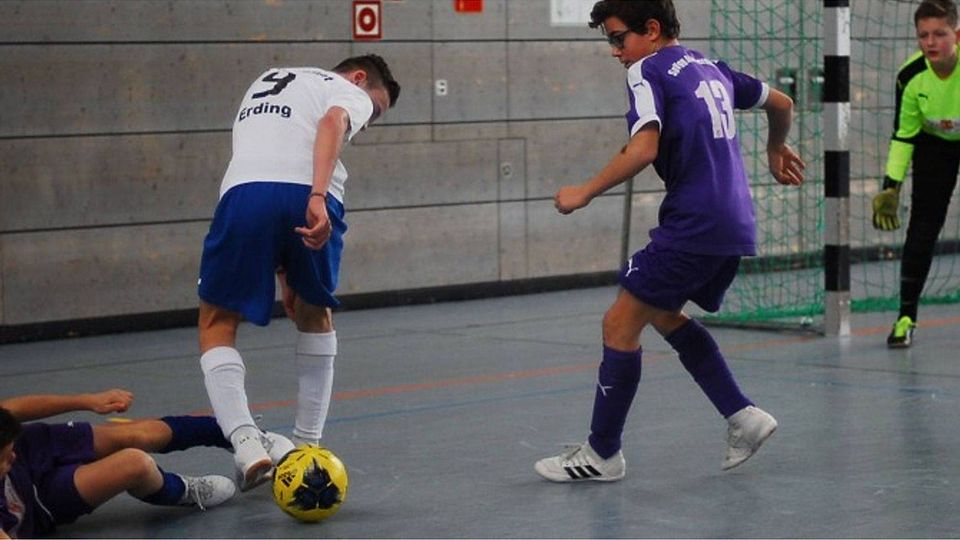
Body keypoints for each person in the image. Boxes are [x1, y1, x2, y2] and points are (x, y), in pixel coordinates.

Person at [534, 0, 805, 482]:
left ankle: (601, 454)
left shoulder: (647, 71)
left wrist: (585, 192)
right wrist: (775, 145)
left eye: (619, 39)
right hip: (735, 223)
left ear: (652, 30)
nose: (616, 52)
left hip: (694, 222)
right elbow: (781, 103)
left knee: (618, 324)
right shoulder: (711, 68)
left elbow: (644, 147)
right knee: (660, 312)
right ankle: (743, 415)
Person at [197, 55, 401, 491]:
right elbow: (331, 123)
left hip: (245, 192)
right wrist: (317, 194)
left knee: (217, 322)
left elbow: (271, 158)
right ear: (360, 78)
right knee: (316, 315)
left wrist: (284, 271)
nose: (368, 124)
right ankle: (307, 448)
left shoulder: (268, 78)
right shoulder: (345, 90)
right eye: (376, 111)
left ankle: (246, 440)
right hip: (309, 193)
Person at [0, 389, 237, 539]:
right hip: (41, 500)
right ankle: (182, 490)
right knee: (136, 464)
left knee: (139, 435)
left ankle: (241, 435)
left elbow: (10, 409)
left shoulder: (16, 452)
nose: (13, 457)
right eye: (4, 458)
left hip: (35, 447)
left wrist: (86, 401)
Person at [871, 0, 960, 348]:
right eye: (923, 35)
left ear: (956, 34)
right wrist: (889, 186)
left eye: (939, 34)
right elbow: (903, 136)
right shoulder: (910, 76)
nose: (931, 42)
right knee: (922, 228)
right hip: (934, 144)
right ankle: (906, 316)